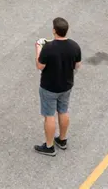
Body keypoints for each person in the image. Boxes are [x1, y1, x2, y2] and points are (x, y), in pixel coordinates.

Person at [34, 17, 82, 157]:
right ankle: (62, 139)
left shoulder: (48, 48)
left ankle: (49, 146)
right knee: (63, 111)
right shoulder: (74, 46)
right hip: (66, 85)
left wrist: (38, 50)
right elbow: (77, 66)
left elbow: (40, 66)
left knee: (49, 116)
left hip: (49, 87)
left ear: (54, 30)